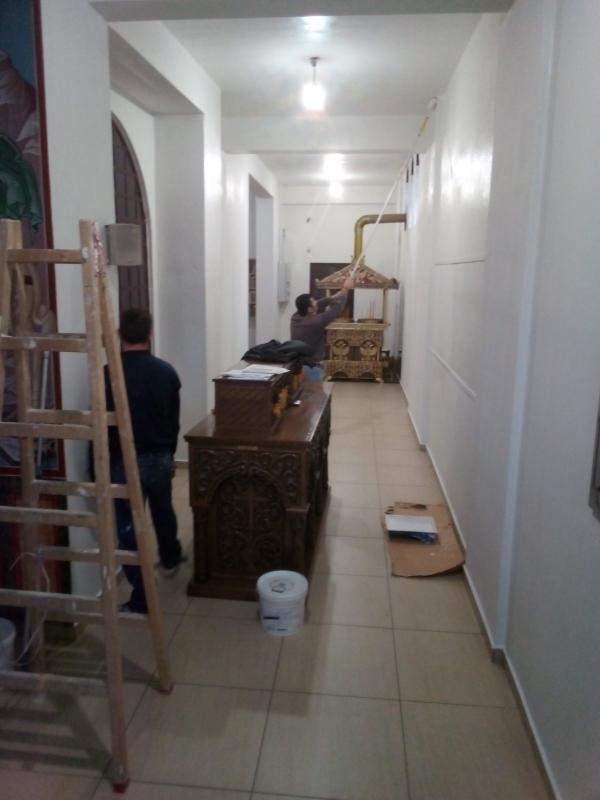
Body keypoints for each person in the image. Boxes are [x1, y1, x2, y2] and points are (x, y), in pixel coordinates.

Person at [105, 308, 186, 614]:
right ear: (150, 333)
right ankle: (170, 557)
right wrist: (170, 454)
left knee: (129, 528)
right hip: (160, 456)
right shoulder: (167, 372)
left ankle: (141, 598)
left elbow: (104, 427)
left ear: (119, 334)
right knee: (163, 509)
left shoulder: (108, 374)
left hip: (123, 462)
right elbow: (173, 421)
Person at [290, 275, 355, 380]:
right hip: (312, 366)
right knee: (314, 390)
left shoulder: (296, 316)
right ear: (309, 308)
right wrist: (346, 289)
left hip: (297, 364)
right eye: (313, 302)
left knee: (301, 389)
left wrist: (335, 296)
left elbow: (319, 304)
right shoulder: (316, 322)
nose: (316, 302)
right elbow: (336, 309)